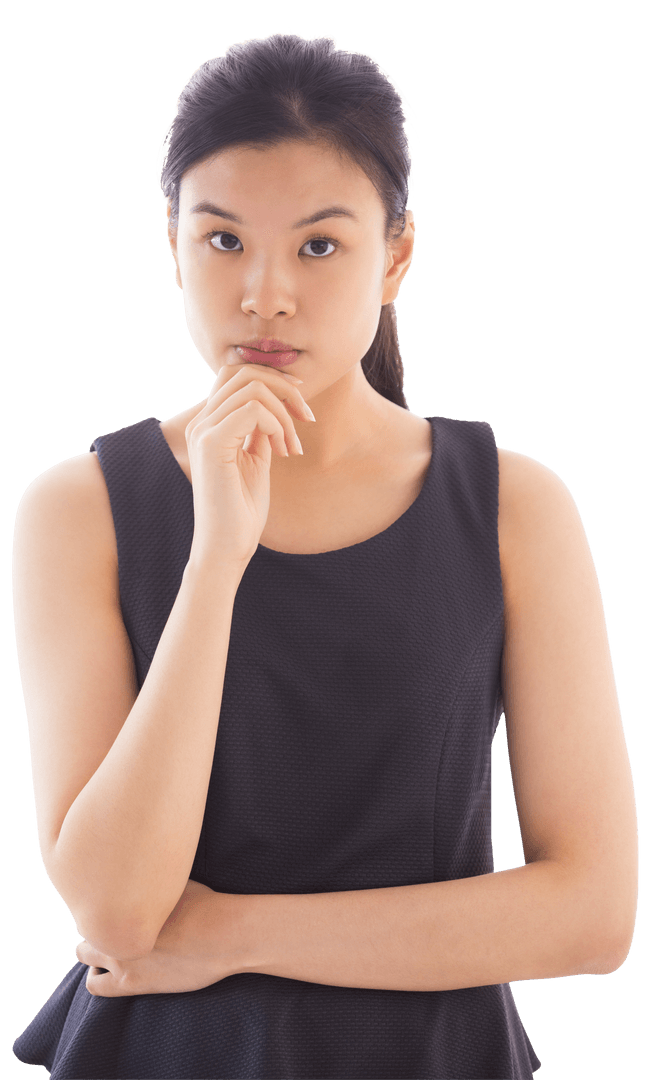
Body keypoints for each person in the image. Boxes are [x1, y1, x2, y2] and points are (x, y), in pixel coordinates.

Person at [11, 30, 637, 1080]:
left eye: (317, 245)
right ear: (172, 243)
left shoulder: (512, 506)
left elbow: (592, 912)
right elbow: (117, 913)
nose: (264, 294)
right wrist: (215, 562)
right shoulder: (81, 510)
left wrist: (238, 935)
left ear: (395, 255)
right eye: (221, 241)